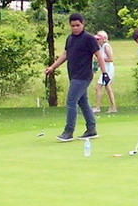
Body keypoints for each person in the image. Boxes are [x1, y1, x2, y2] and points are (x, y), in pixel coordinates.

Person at [45, 13, 109, 142]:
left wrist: (104, 73)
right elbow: (65, 55)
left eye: (78, 25)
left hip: (84, 75)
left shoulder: (89, 38)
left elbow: (99, 56)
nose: (75, 28)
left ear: (83, 24)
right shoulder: (70, 38)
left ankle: (68, 131)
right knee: (82, 101)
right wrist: (52, 67)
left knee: (71, 101)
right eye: (73, 25)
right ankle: (91, 129)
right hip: (73, 75)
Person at [92, 30, 117, 114]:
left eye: (98, 39)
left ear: (104, 39)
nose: (97, 41)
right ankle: (113, 107)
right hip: (105, 69)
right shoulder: (100, 47)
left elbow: (110, 59)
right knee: (107, 87)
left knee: (98, 87)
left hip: (108, 69)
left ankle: (98, 107)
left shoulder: (106, 46)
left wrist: (100, 59)